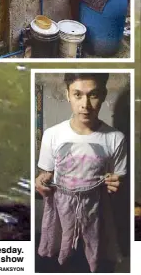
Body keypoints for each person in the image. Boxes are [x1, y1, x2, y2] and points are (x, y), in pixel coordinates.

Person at [35, 73, 127, 273]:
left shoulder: (115, 138)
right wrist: (41, 180)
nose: (85, 104)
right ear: (68, 95)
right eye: (78, 95)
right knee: (60, 260)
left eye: (93, 95)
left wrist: (116, 183)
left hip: (97, 213)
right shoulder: (52, 135)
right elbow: (46, 174)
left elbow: (119, 180)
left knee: (95, 261)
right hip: (62, 212)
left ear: (102, 95)